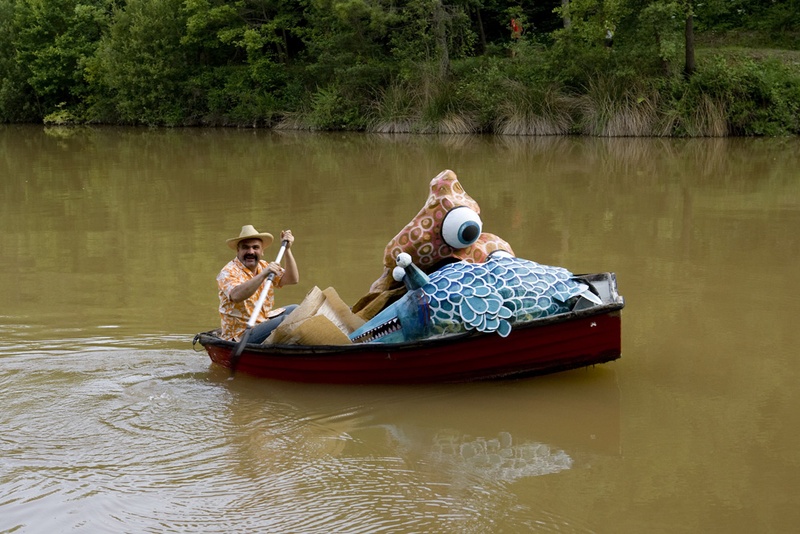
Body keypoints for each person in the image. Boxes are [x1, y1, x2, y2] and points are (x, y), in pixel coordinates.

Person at [217, 225, 299, 344]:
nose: (251, 252)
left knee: (296, 310)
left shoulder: (264, 266)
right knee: (285, 321)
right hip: (241, 335)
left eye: (255, 247)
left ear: (262, 251)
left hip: (262, 322)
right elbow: (236, 295)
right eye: (246, 248)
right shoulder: (228, 272)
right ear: (238, 250)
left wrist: (287, 250)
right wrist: (263, 275)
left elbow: (292, 279)